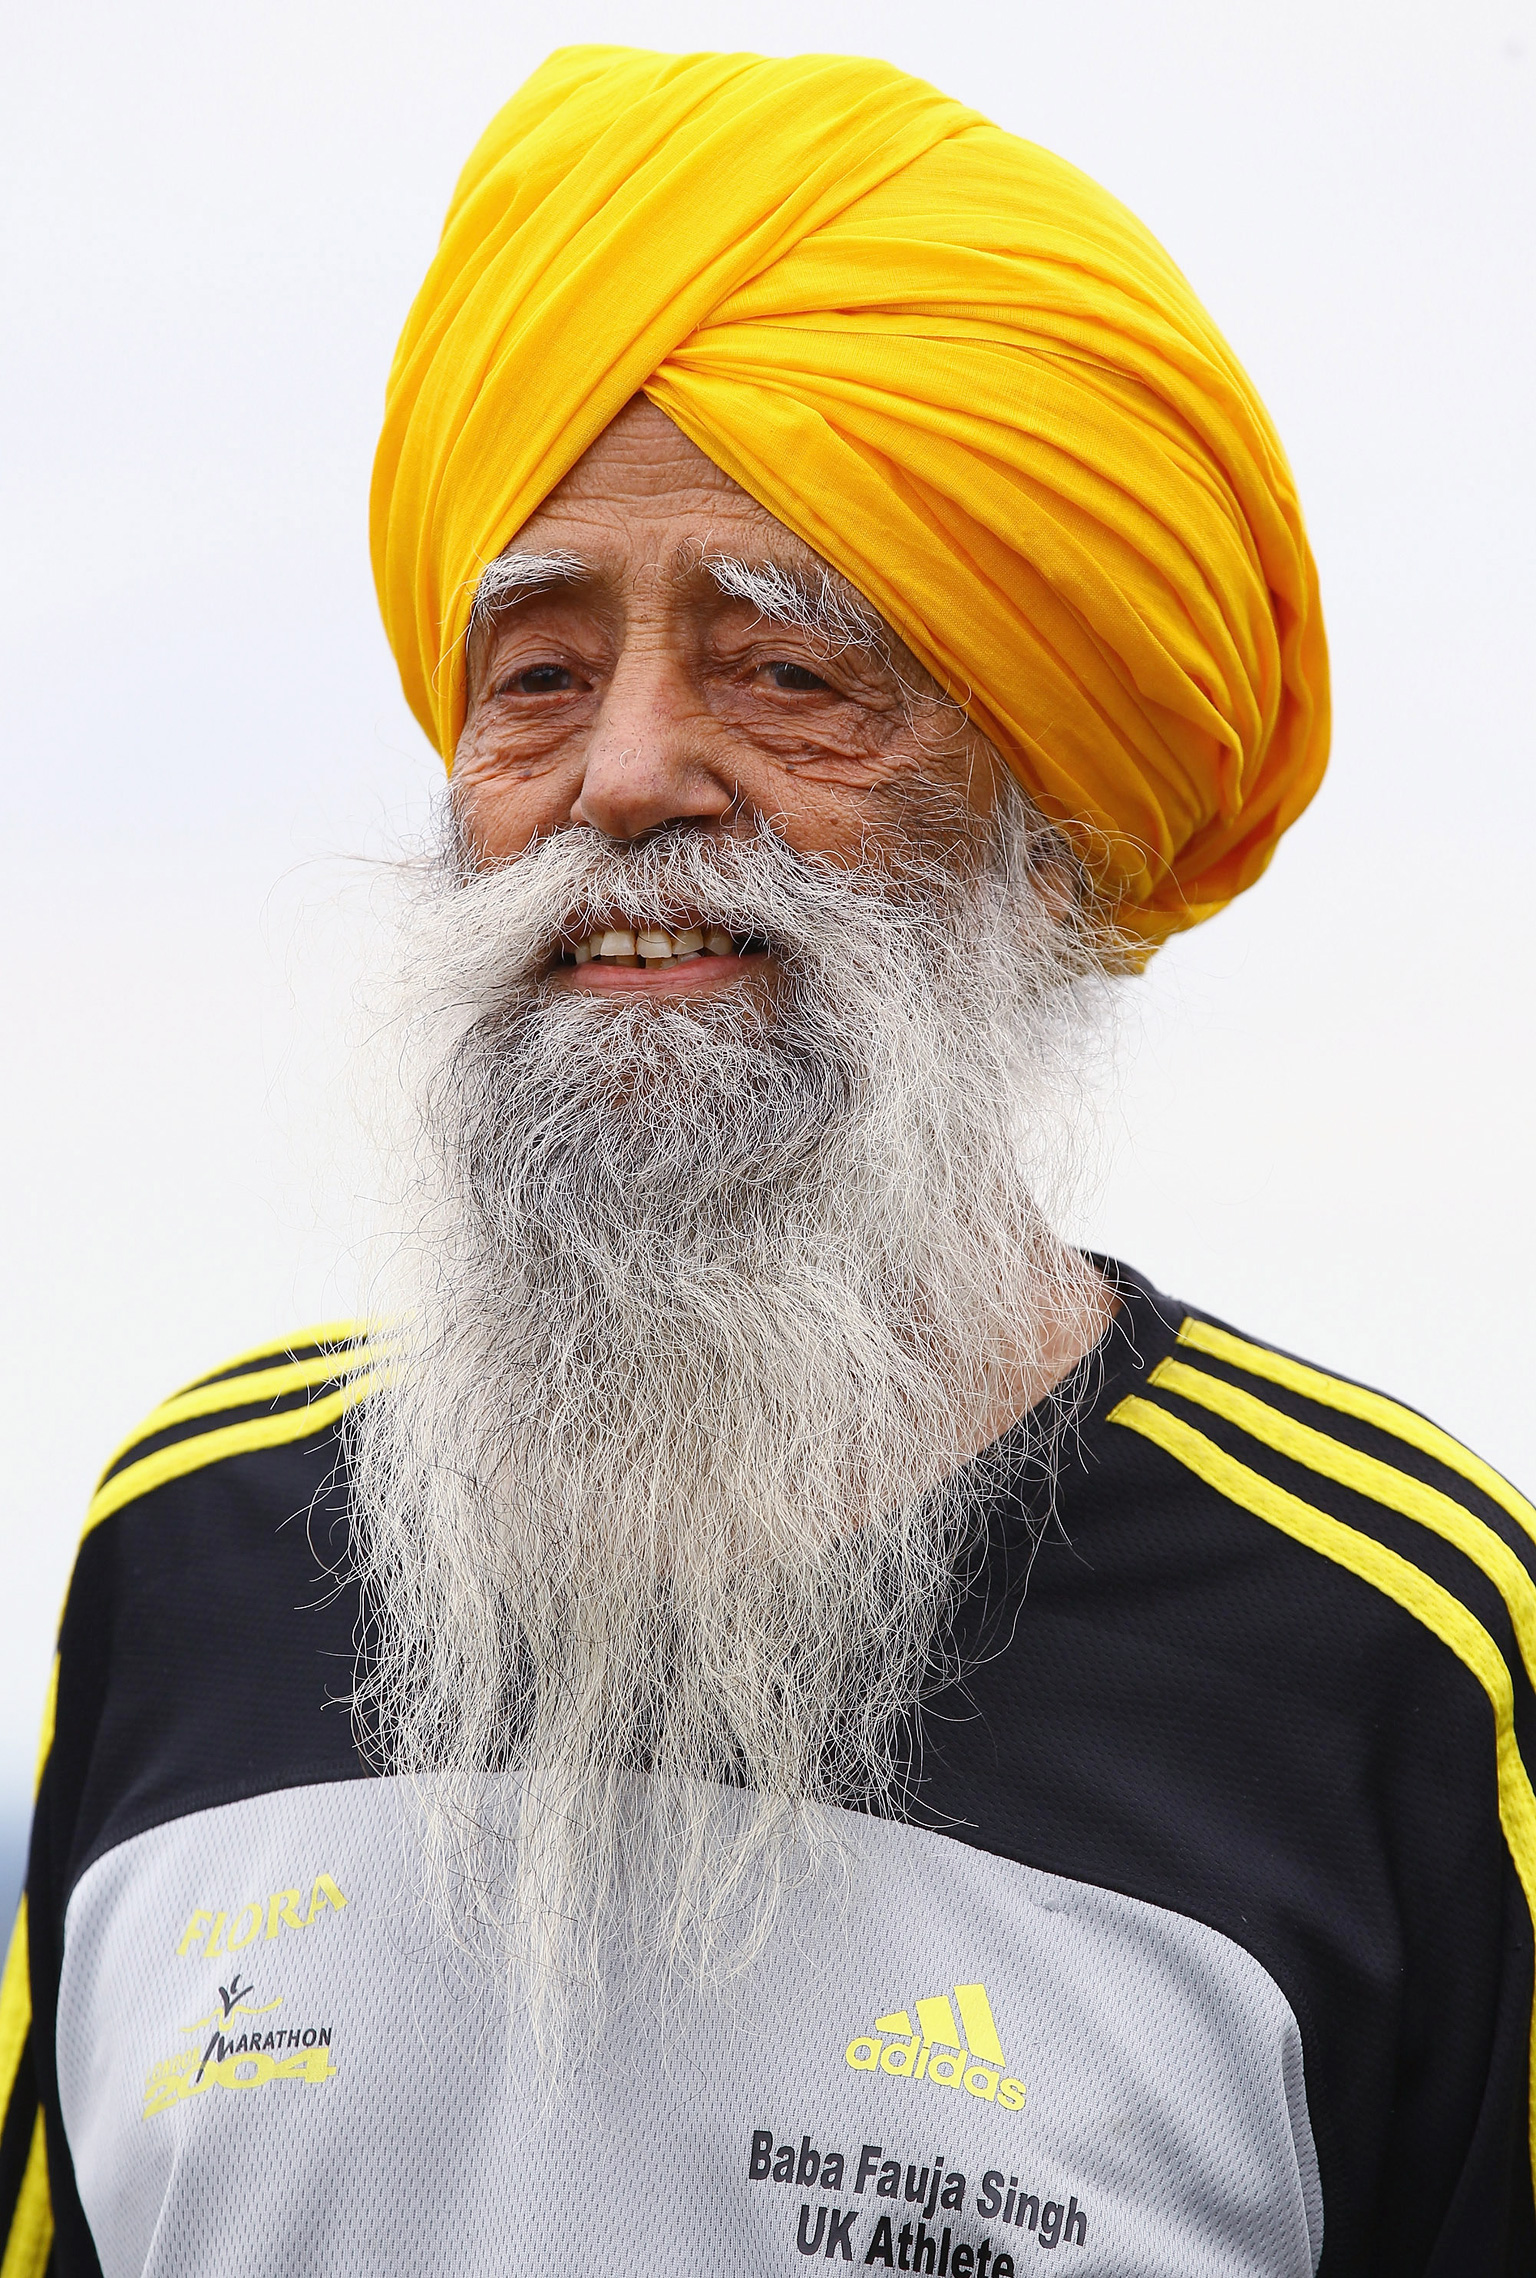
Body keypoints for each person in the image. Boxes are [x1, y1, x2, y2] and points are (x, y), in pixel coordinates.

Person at [2, 44, 1531, 2278]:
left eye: (792, 670)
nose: (629, 773)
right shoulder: (186, 1544)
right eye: (538, 672)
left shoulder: (1390, 1651)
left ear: (1044, 828)